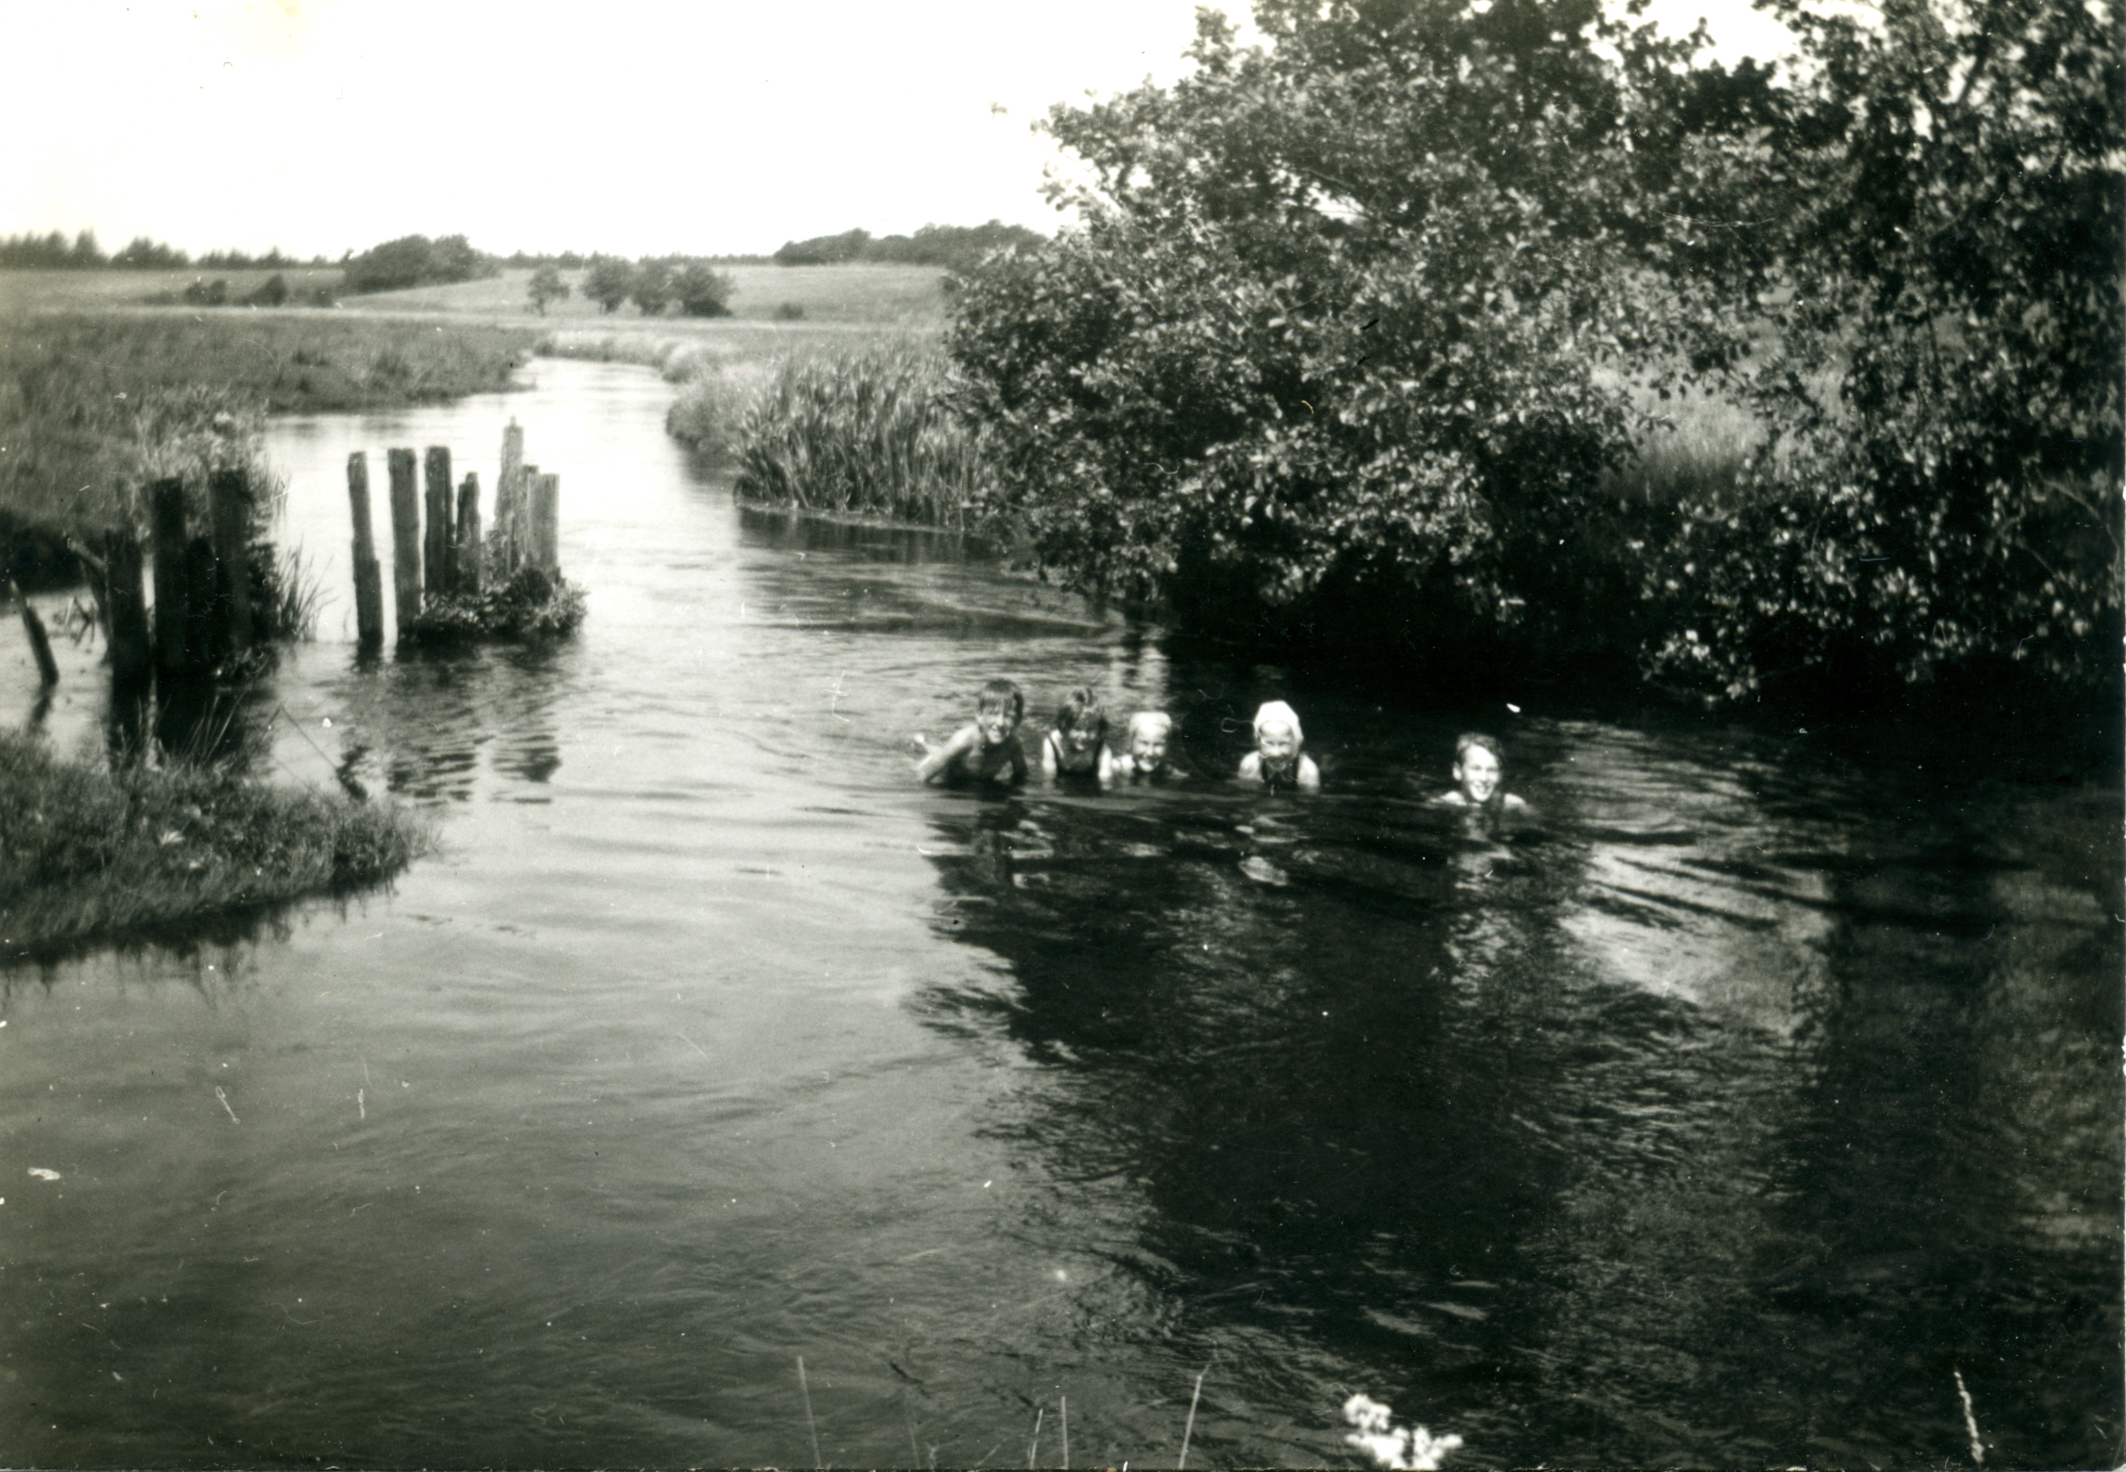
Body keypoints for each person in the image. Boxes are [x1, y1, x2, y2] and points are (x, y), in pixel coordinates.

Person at [913, 678, 1030, 786]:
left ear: (1018, 720)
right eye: (993, 714)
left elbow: (1021, 776)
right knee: (935, 753)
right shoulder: (963, 741)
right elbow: (921, 777)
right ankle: (921, 743)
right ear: (979, 716)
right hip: (947, 777)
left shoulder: (1013, 745)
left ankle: (924, 743)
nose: (1000, 723)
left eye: (1008, 716)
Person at [1434, 731, 1528, 813]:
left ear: (1500, 775)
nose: (1484, 778)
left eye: (1492, 770)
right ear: (1458, 771)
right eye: (1476, 769)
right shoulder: (1443, 803)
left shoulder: (1513, 804)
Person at [1237, 700, 1320, 791]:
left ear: (1296, 744)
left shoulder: (1307, 772)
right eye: (1268, 744)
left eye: (1283, 744)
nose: (1276, 753)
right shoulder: (1250, 766)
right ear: (1258, 744)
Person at [1040, 686, 1114, 783]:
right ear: (1064, 727)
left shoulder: (1102, 750)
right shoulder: (1052, 744)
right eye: (1077, 729)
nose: (1084, 736)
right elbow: (1048, 780)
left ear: (1100, 729)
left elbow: (1105, 782)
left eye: (1090, 729)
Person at [1113, 710, 1180, 782]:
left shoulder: (1175, 776)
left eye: (1158, 745)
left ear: (1167, 746)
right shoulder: (1113, 769)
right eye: (1144, 743)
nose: (1150, 753)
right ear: (1131, 742)